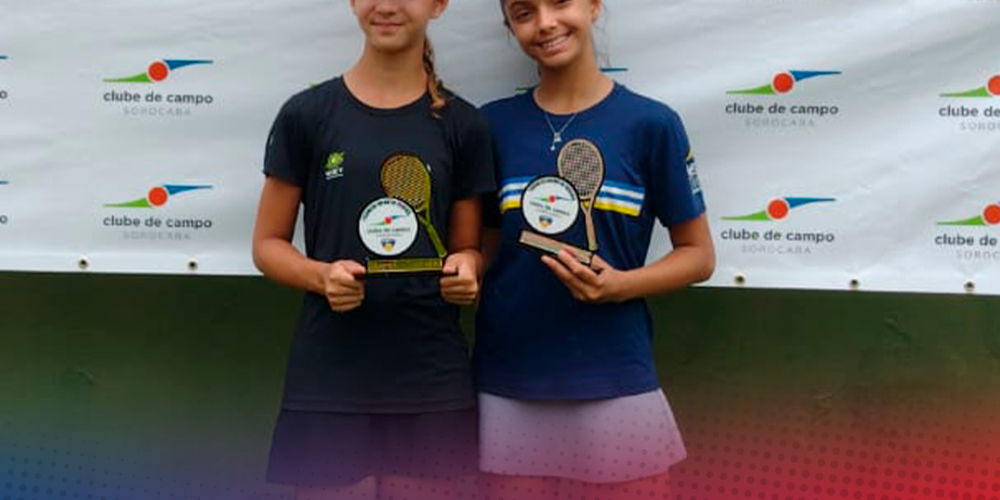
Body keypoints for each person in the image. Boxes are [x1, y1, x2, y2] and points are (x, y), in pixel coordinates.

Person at [251, 0, 495, 498]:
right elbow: (267, 245)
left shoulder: (464, 124)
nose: (386, 6)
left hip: (432, 379)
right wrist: (320, 277)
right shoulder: (306, 114)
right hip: (328, 380)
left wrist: (469, 267)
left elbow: (469, 248)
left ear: (439, 5)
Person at [474, 0, 715, 498]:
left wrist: (621, 286)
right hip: (511, 378)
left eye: (560, 3)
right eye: (523, 12)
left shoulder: (651, 123)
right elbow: (485, 251)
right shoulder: (490, 126)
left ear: (594, 7)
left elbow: (698, 256)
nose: (545, 23)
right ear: (510, 26)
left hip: (616, 374)